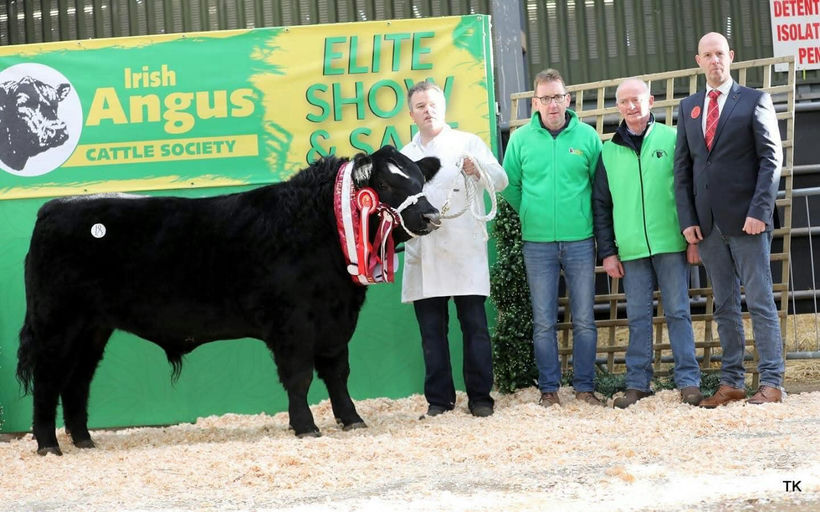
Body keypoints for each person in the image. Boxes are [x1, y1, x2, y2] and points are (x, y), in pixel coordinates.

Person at [674, 32, 785, 407]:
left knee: (760, 302)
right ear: (698, 61)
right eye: (707, 55)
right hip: (707, 227)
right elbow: (683, 169)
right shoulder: (689, 107)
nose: (714, 60)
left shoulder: (754, 100)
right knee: (724, 306)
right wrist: (688, 220)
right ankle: (732, 382)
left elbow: (771, 159)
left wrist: (759, 212)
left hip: (748, 222)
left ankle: (772, 382)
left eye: (720, 53)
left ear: (731, 56)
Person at [400, 81, 509, 418]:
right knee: (432, 332)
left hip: (464, 249)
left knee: (474, 327)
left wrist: (480, 170)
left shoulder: (467, 143)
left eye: (433, 104)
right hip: (424, 251)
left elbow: (501, 179)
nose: (428, 111)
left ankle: (480, 397)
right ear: (411, 114)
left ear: (444, 107)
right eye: (420, 106)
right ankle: (439, 400)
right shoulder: (405, 156)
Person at [593, 78, 702, 409]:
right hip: (631, 250)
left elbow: (689, 189)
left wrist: (693, 239)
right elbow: (601, 205)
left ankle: (689, 382)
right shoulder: (607, 152)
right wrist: (608, 252)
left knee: (679, 312)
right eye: (624, 101)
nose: (631, 106)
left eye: (636, 99)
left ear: (650, 101)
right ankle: (637, 385)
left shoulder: (673, 138)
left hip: (671, 243)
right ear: (618, 107)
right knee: (638, 318)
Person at [502, 69, 604, 407]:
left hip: (580, 241)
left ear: (567, 99)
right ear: (535, 103)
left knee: (584, 319)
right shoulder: (520, 140)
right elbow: (509, 186)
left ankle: (585, 388)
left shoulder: (587, 137)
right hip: (537, 243)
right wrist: (529, 212)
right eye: (545, 98)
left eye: (557, 97)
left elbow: (598, 188)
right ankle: (549, 390)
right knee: (544, 321)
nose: (552, 104)